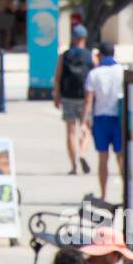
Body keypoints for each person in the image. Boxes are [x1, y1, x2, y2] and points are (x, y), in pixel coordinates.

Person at [83, 41, 126, 199]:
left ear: (100, 54)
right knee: (121, 157)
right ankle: (125, 193)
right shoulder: (122, 71)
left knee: (103, 158)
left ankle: (104, 194)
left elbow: (89, 100)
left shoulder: (94, 73)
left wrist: (84, 121)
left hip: (101, 118)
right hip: (118, 118)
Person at [53, 25, 94, 177]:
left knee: (70, 131)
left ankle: (74, 165)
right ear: (84, 38)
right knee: (87, 129)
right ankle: (82, 152)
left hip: (68, 96)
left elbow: (57, 77)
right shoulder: (90, 56)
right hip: (84, 97)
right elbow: (94, 78)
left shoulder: (64, 55)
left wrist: (57, 96)